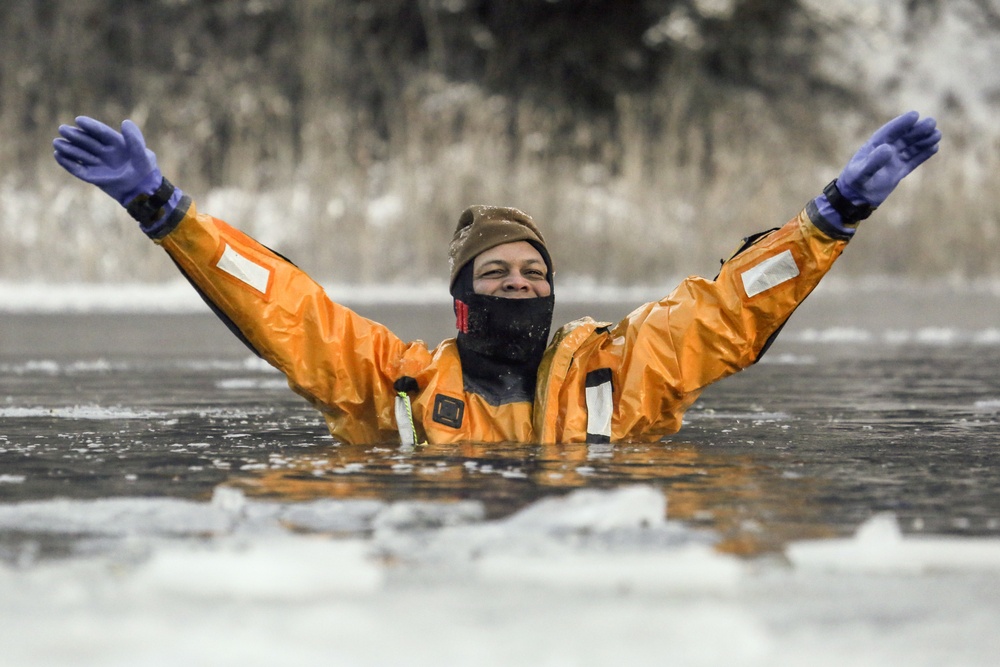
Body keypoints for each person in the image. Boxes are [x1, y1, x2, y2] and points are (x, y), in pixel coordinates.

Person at [52, 112, 941, 445]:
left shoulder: (621, 372)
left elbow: (727, 311)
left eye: (532, 271)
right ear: (463, 300)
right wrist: (167, 211)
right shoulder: (390, 382)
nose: (519, 283)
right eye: (498, 273)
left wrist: (827, 218)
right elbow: (287, 306)